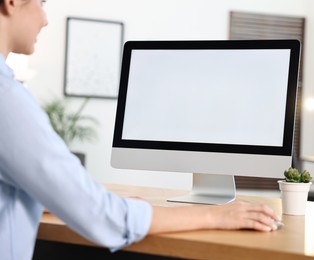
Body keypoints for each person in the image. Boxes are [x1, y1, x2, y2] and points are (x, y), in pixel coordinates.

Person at [0, 0, 282, 259]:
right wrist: (217, 217)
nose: (45, 18)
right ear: (12, 2)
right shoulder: (8, 99)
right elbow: (103, 218)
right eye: (41, 2)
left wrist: (59, 196)